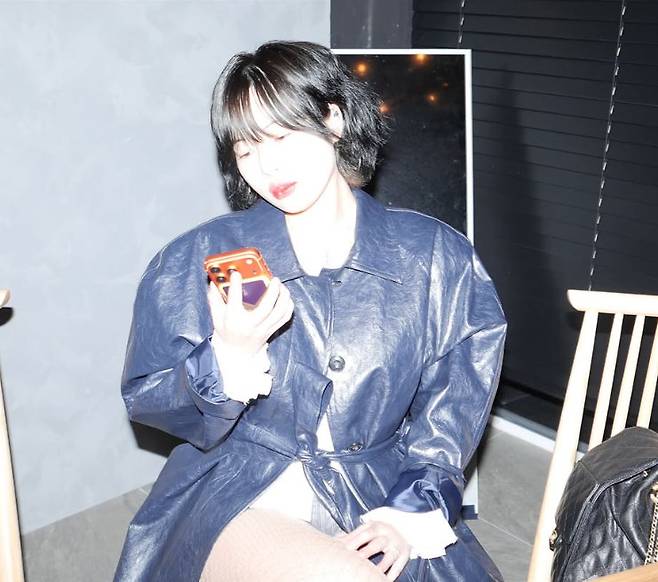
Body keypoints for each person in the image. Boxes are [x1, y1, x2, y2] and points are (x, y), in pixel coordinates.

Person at [113, 40, 507, 582]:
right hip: (241, 487)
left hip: (376, 485)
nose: (266, 165)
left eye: (281, 136)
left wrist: (408, 511)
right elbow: (150, 398)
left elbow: (451, 409)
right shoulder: (198, 257)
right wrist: (228, 357)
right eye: (246, 149)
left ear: (334, 120)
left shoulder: (436, 257)